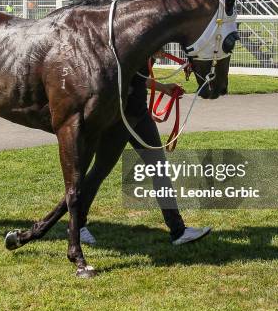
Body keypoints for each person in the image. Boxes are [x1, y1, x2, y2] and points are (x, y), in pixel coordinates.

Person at [78, 52, 212, 246]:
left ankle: (178, 230)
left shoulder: (148, 45)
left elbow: (140, 79)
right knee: (100, 171)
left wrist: (164, 88)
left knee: (159, 170)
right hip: (120, 119)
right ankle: (77, 225)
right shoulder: (130, 44)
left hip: (140, 116)